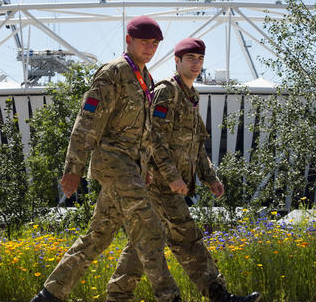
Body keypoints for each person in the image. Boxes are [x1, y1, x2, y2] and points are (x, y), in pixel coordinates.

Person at [30, 16, 181, 302]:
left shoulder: (146, 78)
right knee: (150, 231)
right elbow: (87, 122)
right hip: (113, 164)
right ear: (128, 40)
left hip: (130, 169)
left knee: (98, 236)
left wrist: (144, 166)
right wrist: (73, 169)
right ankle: (169, 297)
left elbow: (145, 131)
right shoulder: (113, 73)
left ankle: (49, 295)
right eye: (144, 42)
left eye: (155, 43)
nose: (150, 48)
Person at [105, 38, 261, 302]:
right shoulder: (167, 91)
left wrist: (210, 177)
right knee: (187, 238)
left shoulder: (191, 97)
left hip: (170, 186)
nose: (196, 63)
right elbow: (154, 138)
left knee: (144, 244)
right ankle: (219, 295)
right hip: (159, 184)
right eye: (190, 58)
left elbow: (196, 144)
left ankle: (117, 296)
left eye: (200, 58)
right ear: (177, 61)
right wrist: (173, 177)